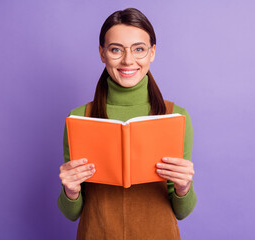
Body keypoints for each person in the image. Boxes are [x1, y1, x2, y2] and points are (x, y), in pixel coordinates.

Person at [58, 8, 196, 240]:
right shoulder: (79, 117)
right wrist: (70, 191)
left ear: (152, 52)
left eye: (139, 49)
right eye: (116, 50)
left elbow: (182, 211)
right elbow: (72, 213)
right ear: (102, 53)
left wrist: (183, 188)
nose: (128, 60)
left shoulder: (176, 116)